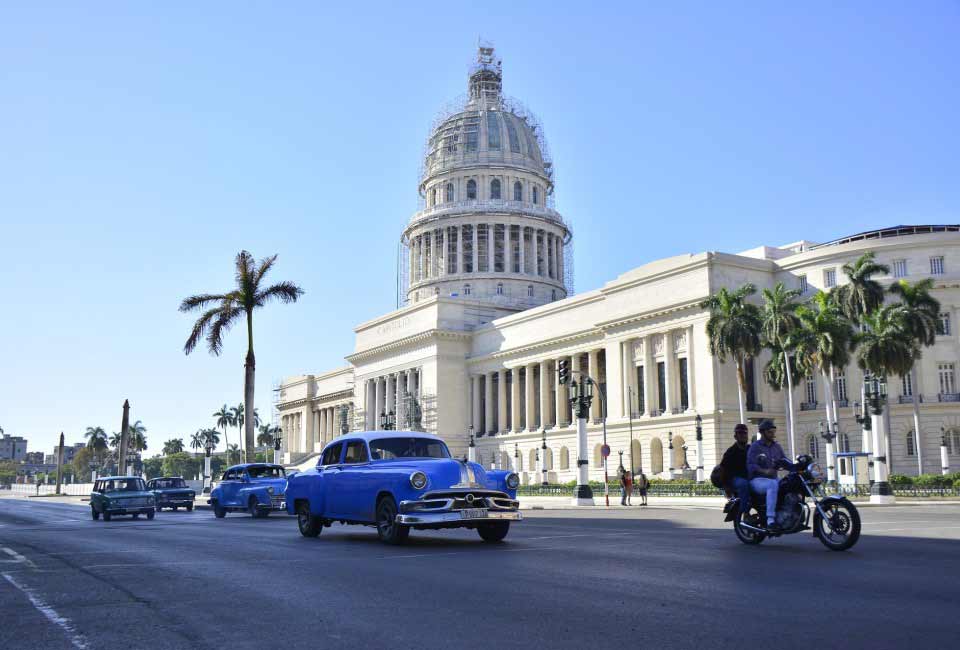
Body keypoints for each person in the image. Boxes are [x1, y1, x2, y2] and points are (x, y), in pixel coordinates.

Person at [747, 419, 788, 532]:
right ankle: (770, 520)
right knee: (772, 485)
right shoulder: (755, 447)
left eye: (774, 431)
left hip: (773, 478)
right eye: (770, 432)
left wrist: (797, 466)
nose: (773, 434)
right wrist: (764, 471)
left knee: (788, 484)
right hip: (757, 480)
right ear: (763, 432)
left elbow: (784, 460)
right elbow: (750, 465)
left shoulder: (777, 447)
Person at [719, 423, 751, 511]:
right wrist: (725, 486)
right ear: (735, 436)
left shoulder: (750, 449)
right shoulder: (731, 452)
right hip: (735, 479)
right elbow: (723, 469)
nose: (743, 435)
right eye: (740, 433)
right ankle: (745, 513)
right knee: (744, 484)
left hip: (749, 477)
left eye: (745, 433)